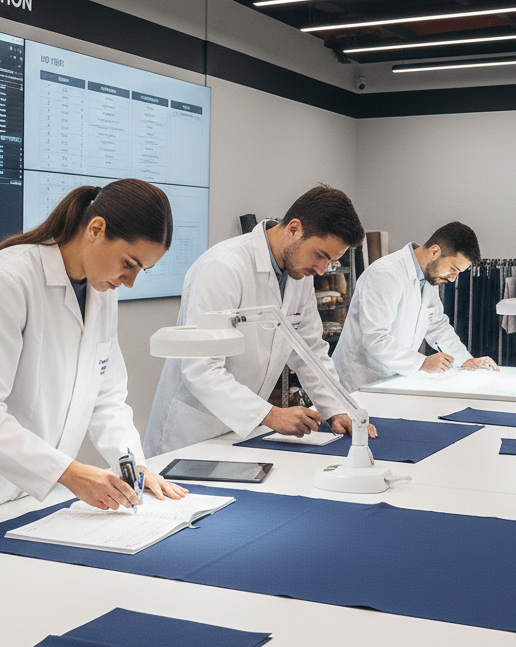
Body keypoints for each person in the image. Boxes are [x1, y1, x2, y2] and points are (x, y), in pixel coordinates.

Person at [0, 179, 187, 536]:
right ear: (96, 229)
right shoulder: (5, 281)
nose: (130, 282)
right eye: (129, 263)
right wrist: (72, 474)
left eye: (141, 270)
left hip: (32, 500)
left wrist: (133, 466)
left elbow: (106, 399)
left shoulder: (100, 292)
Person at [145, 184, 373, 458]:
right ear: (294, 230)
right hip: (193, 430)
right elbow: (200, 369)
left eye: (330, 261)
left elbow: (309, 350)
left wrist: (336, 407)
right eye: (321, 255)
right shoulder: (222, 267)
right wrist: (269, 414)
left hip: (244, 428)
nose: (321, 270)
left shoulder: (299, 276)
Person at [332, 221, 500, 393]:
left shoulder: (428, 279)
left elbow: (437, 326)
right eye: (453, 269)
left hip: (390, 380)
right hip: (357, 382)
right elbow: (374, 337)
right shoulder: (385, 274)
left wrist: (464, 360)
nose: (452, 279)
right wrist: (422, 362)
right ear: (435, 251)